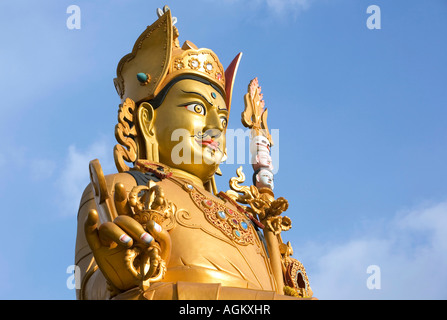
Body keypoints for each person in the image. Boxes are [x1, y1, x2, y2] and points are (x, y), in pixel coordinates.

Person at [74, 6, 313, 300]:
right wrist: (115, 281)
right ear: (148, 120)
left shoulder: (250, 221)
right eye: (197, 108)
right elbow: (87, 287)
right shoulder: (120, 190)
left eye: (223, 119)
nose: (215, 128)